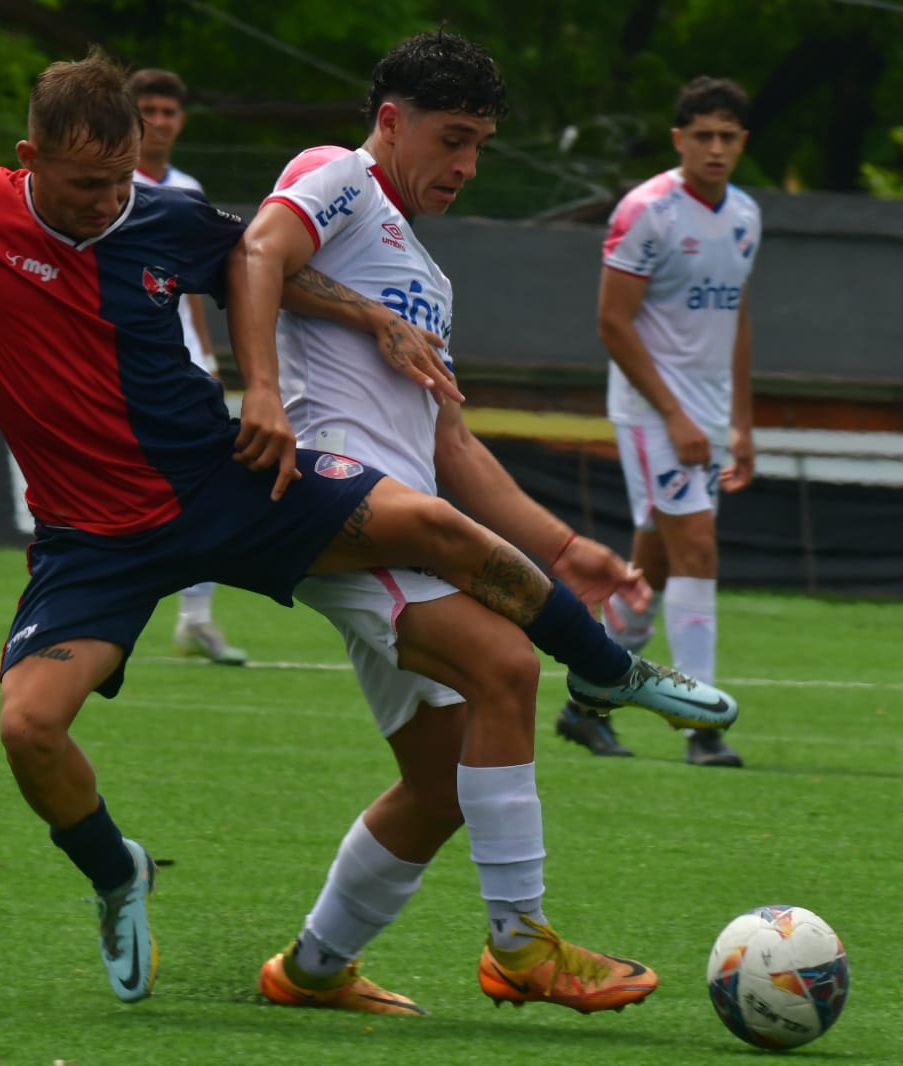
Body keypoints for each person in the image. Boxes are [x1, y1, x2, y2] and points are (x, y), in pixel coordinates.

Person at [0, 51, 729, 1008]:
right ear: (30, 156)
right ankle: (117, 873)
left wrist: (365, 318)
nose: (107, 202)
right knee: (28, 729)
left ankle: (607, 673)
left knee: (437, 532)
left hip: (218, 483)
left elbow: (264, 266)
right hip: (93, 537)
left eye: (120, 180)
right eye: (87, 183)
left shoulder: (165, 213)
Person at [227, 31, 739, 1017]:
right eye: (452, 139)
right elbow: (256, 251)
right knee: (509, 664)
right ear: (391, 122)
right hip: (340, 502)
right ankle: (519, 941)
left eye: (480, 147)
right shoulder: (337, 176)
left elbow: (452, 446)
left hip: (403, 519)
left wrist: (564, 545)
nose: (465, 166)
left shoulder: (427, 275)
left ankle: (313, 968)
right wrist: (263, 393)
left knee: (443, 778)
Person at [557, 76, 760, 768]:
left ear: (741, 144)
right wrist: (674, 415)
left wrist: (741, 423)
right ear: (678, 140)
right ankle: (701, 725)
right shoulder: (646, 211)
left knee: (647, 578)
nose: (713, 148)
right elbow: (611, 324)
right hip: (652, 414)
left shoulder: (745, 217)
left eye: (726, 137)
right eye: (700, 135)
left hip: (702, 418)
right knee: (698, 551)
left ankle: (583, 705)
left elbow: (735, 321)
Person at [127, 66, 245, 666]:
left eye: (170, 111)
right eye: (149, 109)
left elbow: (195, 285)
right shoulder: (108, 182)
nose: (160, 121)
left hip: (185, 362)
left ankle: (196, 620)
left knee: (209, 482)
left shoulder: (188, 189)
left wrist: (210, 355)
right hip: (126, 363)